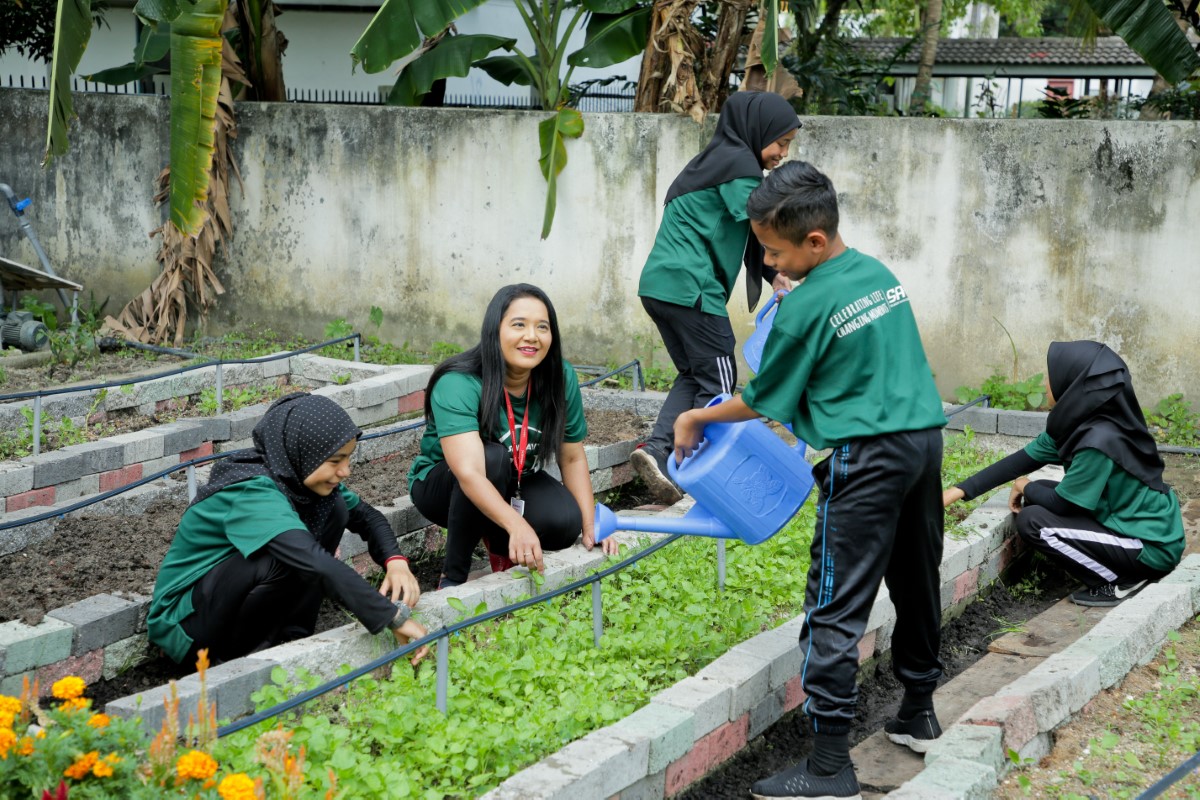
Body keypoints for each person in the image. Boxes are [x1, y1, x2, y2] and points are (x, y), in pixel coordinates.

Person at [672, 161, 949, 800]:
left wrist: (693, 416)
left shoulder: (808, 305)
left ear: (814, 242)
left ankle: (829, 767)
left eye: (773, 250)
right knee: (915, 577)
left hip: (867, 457)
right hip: (923, 443)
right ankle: (918, 709)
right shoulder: (876, 274)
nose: (769, 263)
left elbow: (764, 398)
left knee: (833, 602)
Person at [148, 393, 429, 667]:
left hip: (222, 601)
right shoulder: (253, 491)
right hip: (185, 626)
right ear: (302, 451)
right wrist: (392, 617)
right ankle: (236, 663)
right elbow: (315, 563)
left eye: (348, 458)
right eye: (335, 460)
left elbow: (368, 517)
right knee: (287, 558)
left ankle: (292, 640)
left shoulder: (295, 479)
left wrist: (396, 563)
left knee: (336, 510)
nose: (346, 471)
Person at [632, 91, 801, 504]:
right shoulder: (740, 166)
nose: (782, 153)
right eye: (781, 142)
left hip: (659, 287)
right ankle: (702, 474)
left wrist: (775, 275)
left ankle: (656, 451)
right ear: (757, 131)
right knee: (719, 379)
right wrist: (800, 262)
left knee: (694, 373)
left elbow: (746, 234)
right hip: (693, 289)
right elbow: (762, 224)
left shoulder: (714, 161)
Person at [408, 283, 619, 590]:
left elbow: (571, 456)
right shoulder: (459, 382)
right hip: (446, 486)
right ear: (495, 330)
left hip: (517, 479)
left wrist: (591, 525)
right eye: (519, 325)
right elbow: (468, 473)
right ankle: (453, 579)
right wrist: (516, 524)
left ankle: (499, 548)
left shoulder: (559, 378)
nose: (531, 336)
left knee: (565, 521)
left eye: (542, 327)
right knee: (491, 458)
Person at [944, 340, 1184, 607]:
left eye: (1051, 376)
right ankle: (1117, 569)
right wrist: (955, 492)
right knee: (1040, 492)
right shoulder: (1083, 423)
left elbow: (1064, 504)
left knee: (1033, 521)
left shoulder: (1098, 441)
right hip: (1131, 523)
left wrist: (1025, 486)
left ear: (1074, 383)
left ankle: (1120, 581)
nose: (1045, 383)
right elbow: (1020, 461)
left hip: (1149, 547)